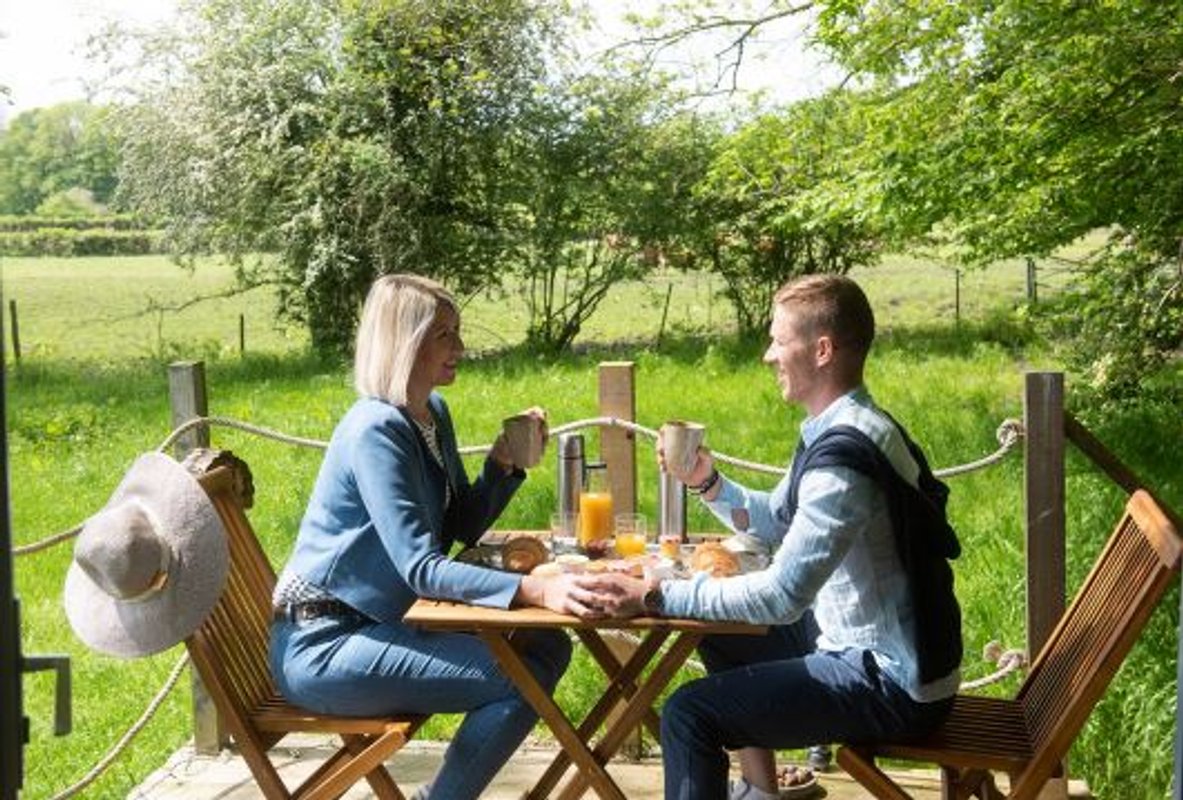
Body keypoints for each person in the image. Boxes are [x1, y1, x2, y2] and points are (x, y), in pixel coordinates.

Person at [589, 274, 962, 800]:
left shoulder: (843, 463)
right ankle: (761, 793)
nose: (768, 355)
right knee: (715, 631)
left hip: (890, 684)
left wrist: (654, 594)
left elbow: (781, 598)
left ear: (822, 349)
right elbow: (777, 519)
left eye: (778, 340)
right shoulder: (844, 427)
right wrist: (707, 482)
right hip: (876, 652)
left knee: (688, 714)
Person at [268, 274, 604, 800]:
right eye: (444, 335)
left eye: (457, 332)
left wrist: (501, 464)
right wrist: (537, 590)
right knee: (521, 680)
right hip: (324, 645)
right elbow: (421, 568)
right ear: (406, 342)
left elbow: (458, 528)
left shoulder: (429, 413)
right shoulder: (375, 430)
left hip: (381, 628)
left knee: (546, 648)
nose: (461, 348)